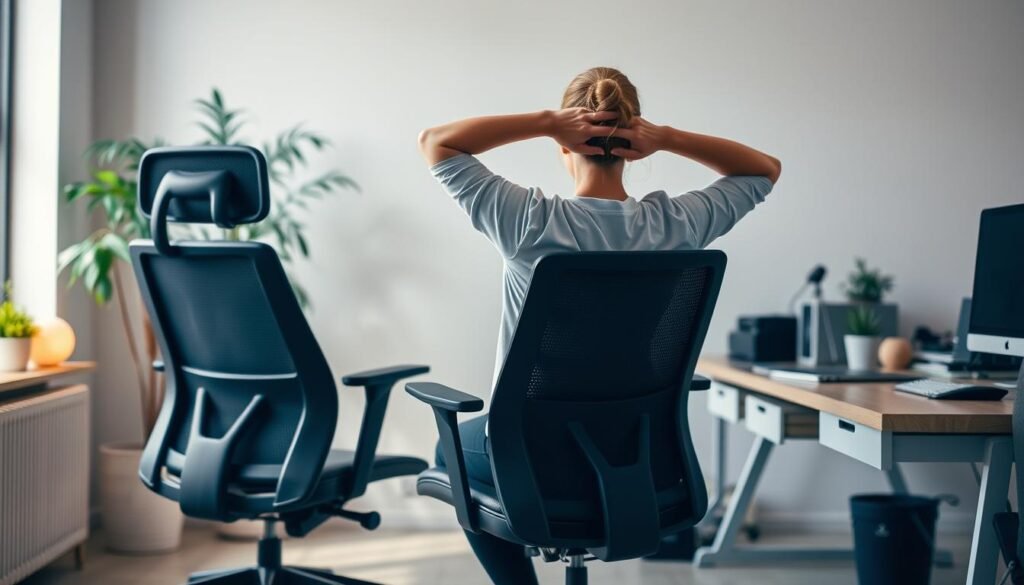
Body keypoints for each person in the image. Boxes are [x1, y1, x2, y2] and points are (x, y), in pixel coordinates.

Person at [418, 66, 781, 585]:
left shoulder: (529, 222)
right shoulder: (675, 226)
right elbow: (764, 169)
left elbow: (436, 142)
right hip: (640, 455)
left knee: (447, 448)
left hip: (530, 456)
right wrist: (669, 138)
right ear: (635, 144)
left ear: (566, 146)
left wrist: (545, 121)